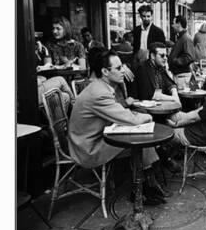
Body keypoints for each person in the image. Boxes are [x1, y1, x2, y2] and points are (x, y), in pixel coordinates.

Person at [68, 50, 164, 205]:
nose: (123, 71)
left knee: (140, 136)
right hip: (88, 148)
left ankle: (147, 183)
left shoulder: (100, 87)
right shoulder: (100, 93)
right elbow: (130, 119)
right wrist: (148, 117)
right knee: (141, 137)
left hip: (95, 137)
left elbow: (120, 112)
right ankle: (145, 185)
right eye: (118, 68)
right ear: (105, 71)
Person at [167, 69, 206, 147]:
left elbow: (193, 119)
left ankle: (166, 156)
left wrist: (176, 124)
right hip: (201, 132)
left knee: (166, 134)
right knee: (173, 116)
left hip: (198, 137)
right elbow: (198, 111)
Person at [168, 15, 196, 89]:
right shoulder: (182, 37)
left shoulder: (186, 38)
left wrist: (174, 61)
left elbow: (190, 57)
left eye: (173, 23)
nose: (172, 26)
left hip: (182, 77)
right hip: (180, 76)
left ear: (179, 24)